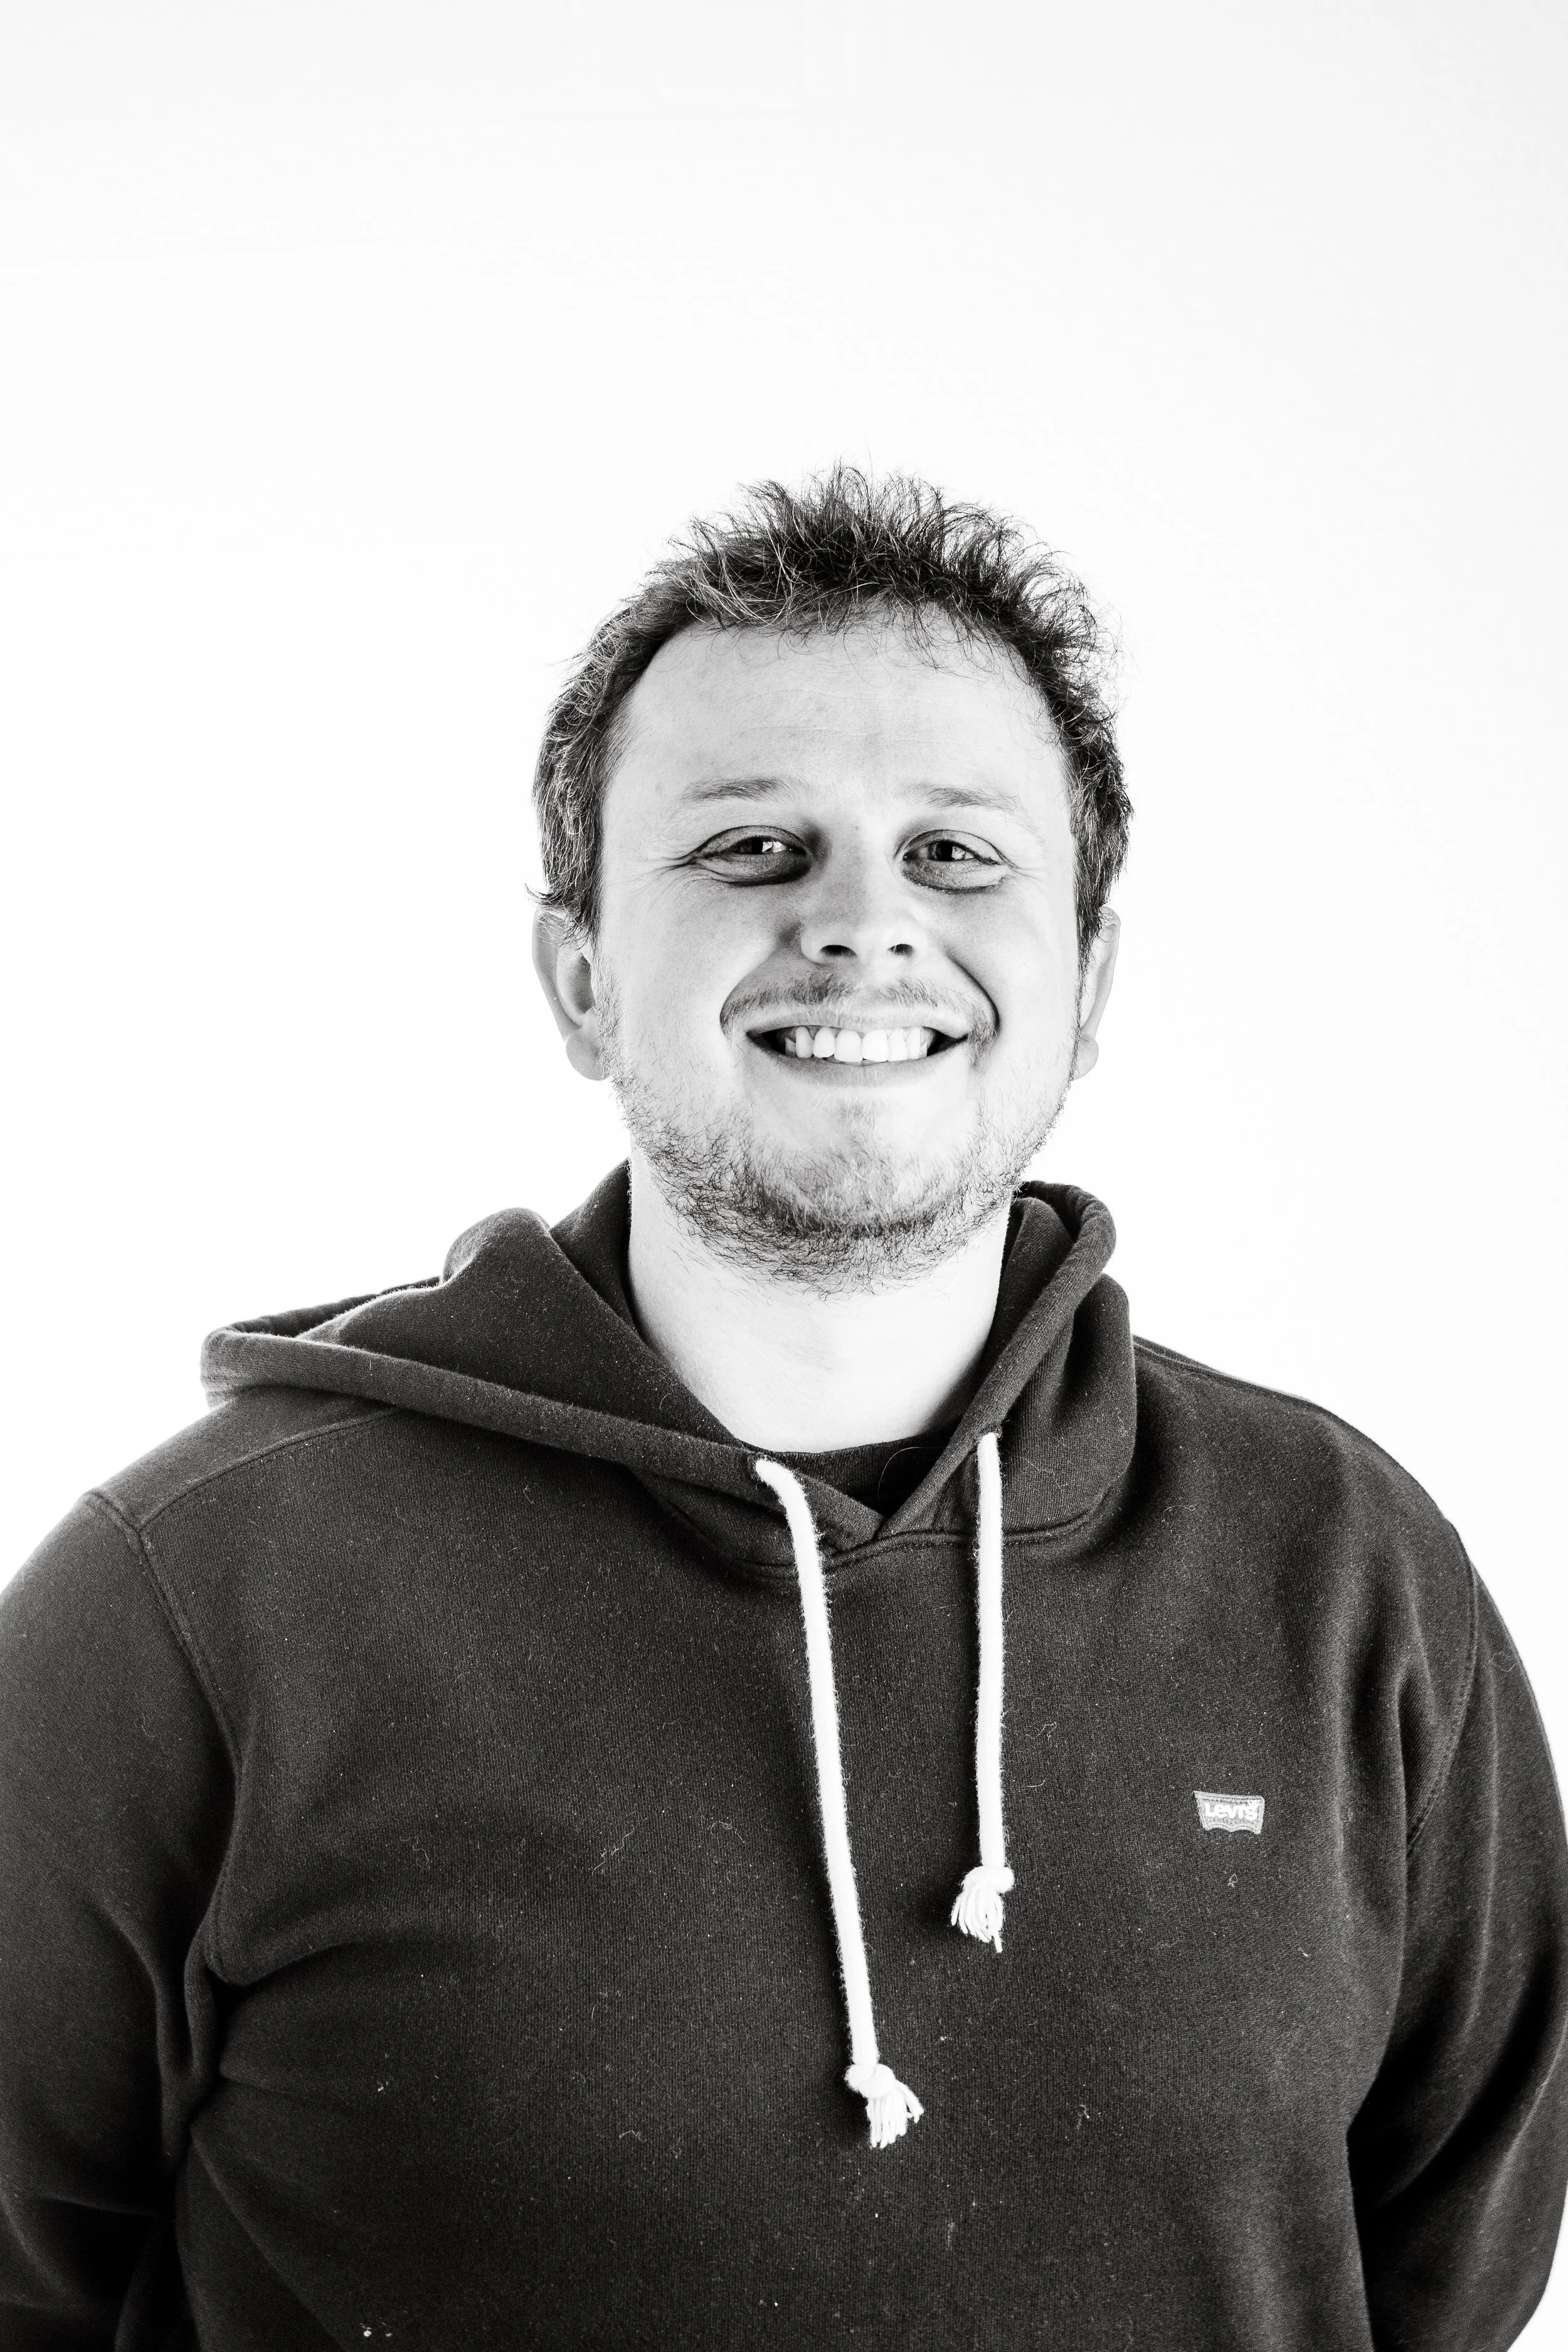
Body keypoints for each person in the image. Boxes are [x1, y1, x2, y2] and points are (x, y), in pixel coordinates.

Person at [2, 469, 1564, 2352]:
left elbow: (1443, 2275)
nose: (861, 925)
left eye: (958, 855)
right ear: (580, 976)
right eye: (751, 849)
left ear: (1090, 981)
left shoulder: (1335, 1569)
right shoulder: (196, 1599)